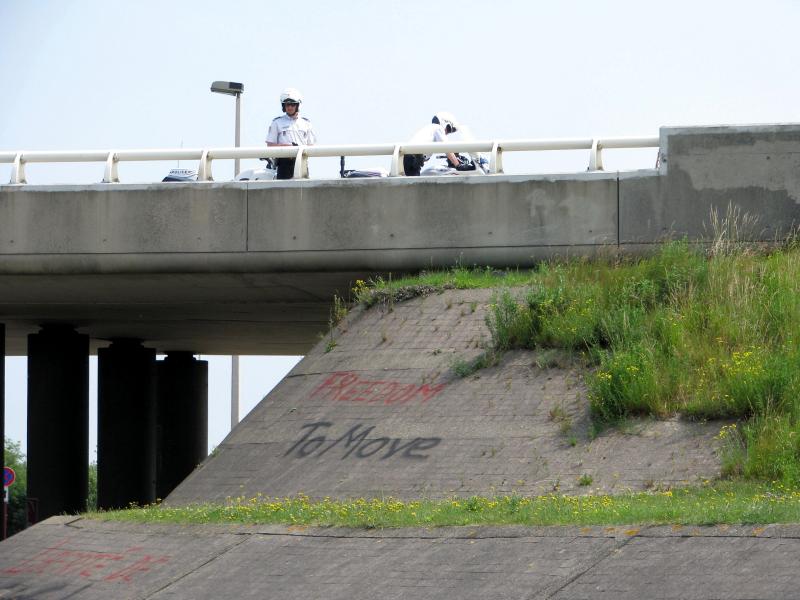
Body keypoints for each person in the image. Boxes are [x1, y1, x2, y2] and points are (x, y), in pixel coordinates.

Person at [266, 87, 317, 180]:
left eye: (292, 105)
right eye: (287, 105)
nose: (289, 107)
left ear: (298, 105)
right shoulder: (276, 123)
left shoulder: (306, 123)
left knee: (303, 192)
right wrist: (285, 146)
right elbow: (270, 145)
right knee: (283, 192)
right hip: (283, 163)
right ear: (283, 106)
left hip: (301, 162)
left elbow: (311, 146)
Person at [404, 112, 467, 176]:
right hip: (414, 157)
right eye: (449, 129)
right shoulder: (438, 128)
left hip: (411, 157)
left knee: (414, 181)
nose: (447, 133)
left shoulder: (429, 130)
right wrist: (458, 165)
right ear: (444, 122)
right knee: (415, 184)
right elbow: (446, 147)